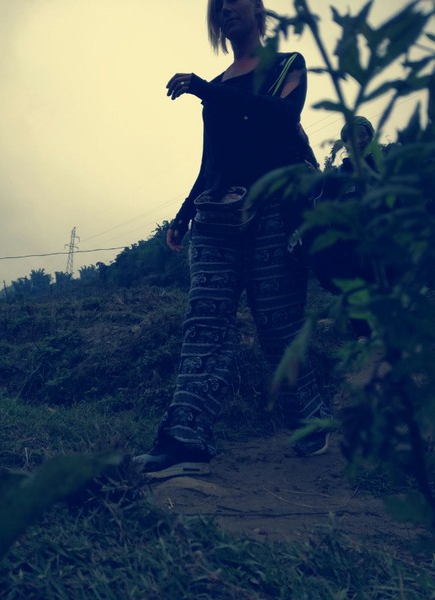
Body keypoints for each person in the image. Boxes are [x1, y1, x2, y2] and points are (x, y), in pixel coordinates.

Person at [134, 0, 330, 479]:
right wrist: (183, 215)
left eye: (234, 0)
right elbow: (213, 163)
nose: (225, 9)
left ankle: (309, 417)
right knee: (205, 324)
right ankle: (185, 439)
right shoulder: (219, 87)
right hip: (218, 218)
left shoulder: (286, 65)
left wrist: (205, 89)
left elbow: (280, 117)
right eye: (217, 5)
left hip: (275, 214)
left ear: (258, 10)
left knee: (278, 327)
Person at [310, 116, 378, 339]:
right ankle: (363, 334)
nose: (358, 141)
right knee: (353, 286)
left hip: (382, 239)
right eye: (351, 137)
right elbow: (323, 209)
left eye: (363, 134)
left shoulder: (383, 170)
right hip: (349, 244)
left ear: (371, 136)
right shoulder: (336, 177)